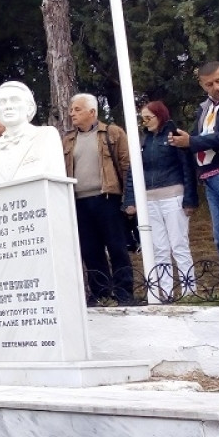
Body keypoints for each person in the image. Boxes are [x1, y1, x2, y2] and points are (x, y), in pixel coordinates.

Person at [63, 92, 133, 304]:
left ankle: (124, 293)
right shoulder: (68, 140)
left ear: (92, 112)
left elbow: (127, 166)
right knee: (90, 249)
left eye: (77, 109)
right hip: (79, 202)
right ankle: (101, 293)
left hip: (107, 199)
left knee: (116, 246)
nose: (72, 113)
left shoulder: (112, 133)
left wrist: (130, 199)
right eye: (71, 110)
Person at [123, 101, 198, 299]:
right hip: (149, 201)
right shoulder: (142, 141)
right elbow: (133, 172)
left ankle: (190, 293)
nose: (145, 122)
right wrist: (130, 199)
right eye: (143, 119)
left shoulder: (175, 136)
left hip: (174, 197)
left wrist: (190, 199)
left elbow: (187, 168)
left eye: (149, 118)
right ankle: (165, 293)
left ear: (160, 115)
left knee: (179, 245)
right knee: (159, 248)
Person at [169, 60, 219, 285]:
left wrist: (192, 142)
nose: (216, 87)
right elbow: (196, 139)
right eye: (209, 84)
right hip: (210, 178)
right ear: (202, 85)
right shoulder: (204, 108)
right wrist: (183, 140)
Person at [0, 81, 65, 186]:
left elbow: (57, 184)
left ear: (30, 108)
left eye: (14, 100)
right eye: (1, 102)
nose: (8, 106)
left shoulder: (46, 136)